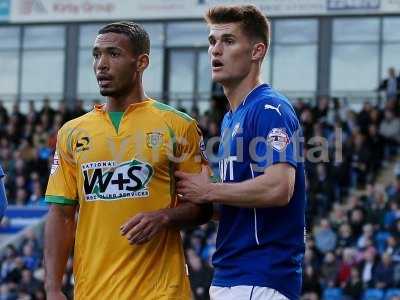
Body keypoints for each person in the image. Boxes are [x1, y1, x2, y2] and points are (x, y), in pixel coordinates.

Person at [44, 21, 212, 300]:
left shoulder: (178, 125)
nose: (101, 64)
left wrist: (164, 216)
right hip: (94, 291)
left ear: (141, 62)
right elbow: (60, 214)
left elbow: (204, 206)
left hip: (161, 292)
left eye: (113, 54)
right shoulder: (72, 132)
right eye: (97, 54)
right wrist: (52, 287)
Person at [175, 5, 306, 300]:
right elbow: (240, 204)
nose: (215, 50)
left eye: (228, 41)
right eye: (212, 41)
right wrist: (184, 198)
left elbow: (279, 188)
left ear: (257, 51)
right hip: (234, 275)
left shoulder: (269, 108)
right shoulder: (232, 117)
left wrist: (209, 191)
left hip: (259, 276)